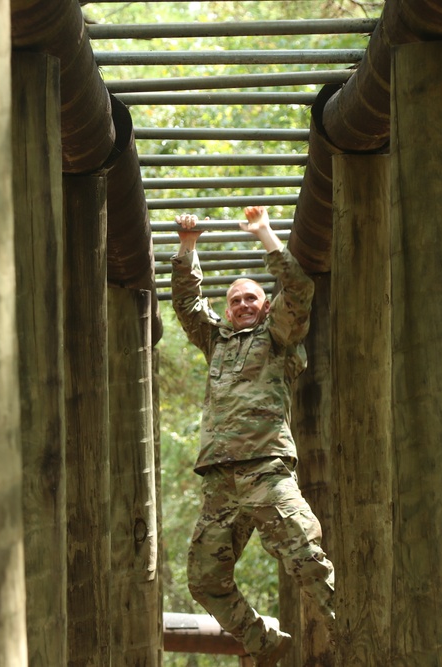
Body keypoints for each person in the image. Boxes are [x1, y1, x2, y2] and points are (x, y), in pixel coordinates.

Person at [171, 206, 336, 666]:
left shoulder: (277, 337)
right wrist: (189, 246)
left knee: (306, 559)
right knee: (205, 580)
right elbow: (186, 304)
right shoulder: (217, 341)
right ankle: (265, 643)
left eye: (252, 299)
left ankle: (359, 637)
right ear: (228, 309)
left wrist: (264, 233)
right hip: (220, 482)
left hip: (266, 470)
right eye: (236, 300)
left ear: (266, 306)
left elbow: (299, 290)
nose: (244, 304)